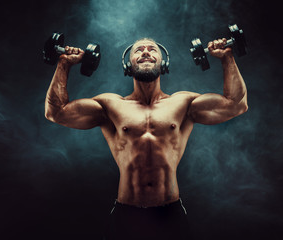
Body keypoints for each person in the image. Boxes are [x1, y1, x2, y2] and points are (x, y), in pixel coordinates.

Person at [44, 37, 248, 240]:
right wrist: (64, 63)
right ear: (128, 65)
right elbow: (56, 112)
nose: (145, 52)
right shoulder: (110, 105)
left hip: (169, 216)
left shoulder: (183, 103)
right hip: (127, 215)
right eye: (138, 50)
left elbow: (236, 104)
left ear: (163, 62)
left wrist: (227, 57)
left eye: (152, 49)